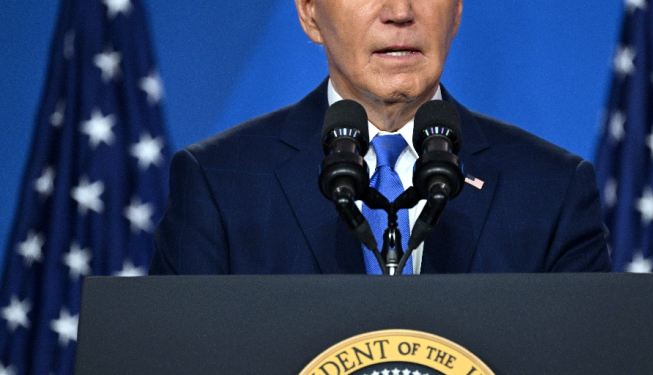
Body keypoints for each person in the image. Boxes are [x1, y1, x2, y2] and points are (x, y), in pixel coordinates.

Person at [148, 0, 611, 275]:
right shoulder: (218, 185)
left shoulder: (553, 192)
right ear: (310, 13)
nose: (399, 12)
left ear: (456, 12)